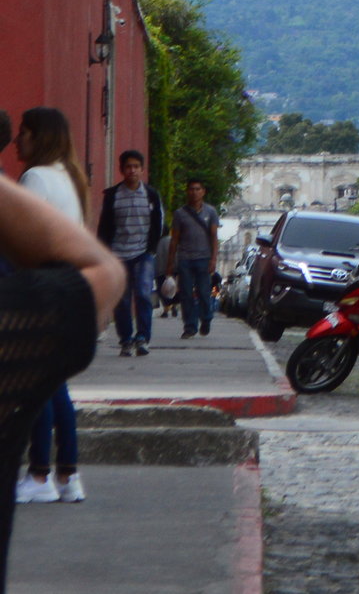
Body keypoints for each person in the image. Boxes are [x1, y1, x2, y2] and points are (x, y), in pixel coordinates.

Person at [10, 107, 119, 517]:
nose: (18, 140)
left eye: (24, 132)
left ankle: (39, 475)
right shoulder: (68, 178)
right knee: (57, 389)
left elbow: (26, 235)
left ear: (39, 136)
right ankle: (67, 474)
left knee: (37, 390)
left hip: (40, 288)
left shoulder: (34, 179)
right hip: (67, 288)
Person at [95, 150, 164, 358]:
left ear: (142, 170)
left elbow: (158, 223)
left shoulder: (151, 195)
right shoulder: (113, 195)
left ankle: (142, 338)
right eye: (128, 167)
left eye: (136, 166)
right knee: (122, 300)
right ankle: (126, 339)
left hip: (143, 252)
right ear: (121, 170)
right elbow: (104, 226)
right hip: (118, 254)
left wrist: (151, 248)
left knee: (143, 294)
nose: (132, 170)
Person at [169, 182, 220, 340]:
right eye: (191, 189)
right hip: (185, 259)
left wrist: (213, 259)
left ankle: (206, 318)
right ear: (187, 192)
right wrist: (170, 262)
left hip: (203, 258)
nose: (194, 192)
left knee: (204, 293)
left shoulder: (210, 212)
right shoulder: (180, 214)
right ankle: (190, 326)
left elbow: (214, 237)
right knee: (186, 294)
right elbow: (175, 239)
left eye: (198, 189)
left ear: (203, 191)